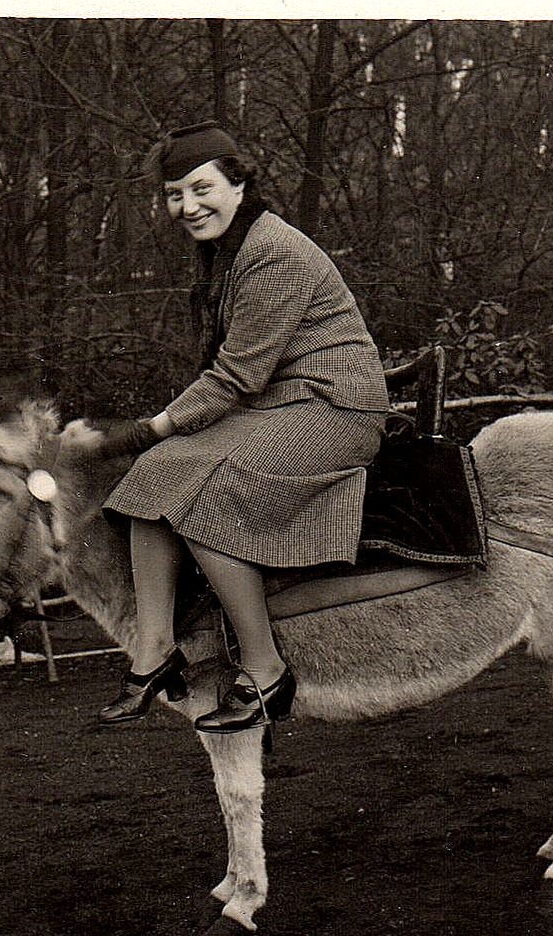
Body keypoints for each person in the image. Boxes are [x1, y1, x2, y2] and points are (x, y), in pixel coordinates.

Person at [96, 121, 391, 734]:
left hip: (335, 409)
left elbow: (233, 378)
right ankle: (152, 654)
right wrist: (157, 443)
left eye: (201, 188)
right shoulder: (226, 253)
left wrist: (145, 429)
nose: (187, 206)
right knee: (155, 478)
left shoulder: (274, 251)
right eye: (174, 194)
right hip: (278, 406)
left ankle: (265, 673)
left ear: (237, 183)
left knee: (203, 492)